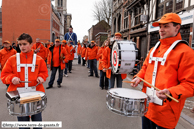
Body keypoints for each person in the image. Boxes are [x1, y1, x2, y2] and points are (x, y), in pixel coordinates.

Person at [131, 13, 194, 129]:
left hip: (167, 111)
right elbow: (145, 67)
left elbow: (190, 85)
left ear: (177, 28)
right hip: (147, 107)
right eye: (160, 26)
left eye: (166, 26)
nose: (161, 29)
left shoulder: (187, 53)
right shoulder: (154, 49)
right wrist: (138, 76)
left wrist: (170, 92)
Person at [1, 33, 48, 129]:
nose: (22, 46)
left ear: (31, 44)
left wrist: (41, 77)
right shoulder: (12, 59)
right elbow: (4, 75)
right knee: (23, 126)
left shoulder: (39, 59)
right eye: (20, 44)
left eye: (25, 44)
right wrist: (11, 78)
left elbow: (44, 72)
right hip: (19, 96)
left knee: (37, 124)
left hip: (36, 95)